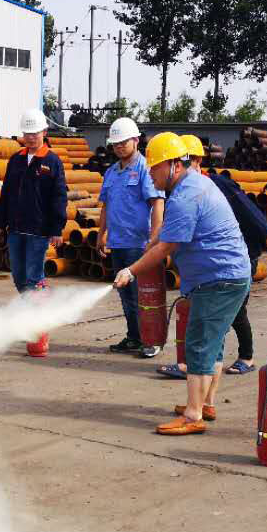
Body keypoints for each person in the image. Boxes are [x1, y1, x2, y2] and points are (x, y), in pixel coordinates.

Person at [113, 133, 255, 436]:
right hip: (227, 276)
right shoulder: (195, 185)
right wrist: (157, 238)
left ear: (174, 165)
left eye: (154, 169)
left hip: (219, 280)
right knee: (211, 344)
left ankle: (192, 416)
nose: (150, 175)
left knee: (198, 346)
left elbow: (166, 249)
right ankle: (206, 404)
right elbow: (169, 234)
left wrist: (130, 271)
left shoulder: (185, 196)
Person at [156, 134, 267, 380]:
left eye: (189, 159)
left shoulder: (216, 184)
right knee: (208, 318)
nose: (184, 164)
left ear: (198, 160)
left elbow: (250, 213)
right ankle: (200, 367)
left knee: (233, 313)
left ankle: (246, 356)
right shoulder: (181, 190)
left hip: (235, 257)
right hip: (208, 266)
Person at [98, 117, 165, 358]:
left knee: (144, 294)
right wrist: (101, 234)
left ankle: (152, 340)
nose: (118, 147)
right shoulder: (111, 173)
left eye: (123, 142)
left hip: (139, 245)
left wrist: (155, 238)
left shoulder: (146, 170)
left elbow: (157, 203)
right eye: (115, 143)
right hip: (118, 243)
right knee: (126, 296)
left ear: (136, 140)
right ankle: (135, 337)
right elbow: (105, 205)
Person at [0, 107, 68, 299]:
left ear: (44, 132)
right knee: (19, 277)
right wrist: (0, 224)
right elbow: (7, 193)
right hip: (16, 230)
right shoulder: (16, 160)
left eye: (35, 133)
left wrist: (57, 229)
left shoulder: (52, 161)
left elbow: (59, 197)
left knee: (33, 278)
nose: (31, 137)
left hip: (39, 232)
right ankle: (38, 306)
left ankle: (35, 318)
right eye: (27, 133)